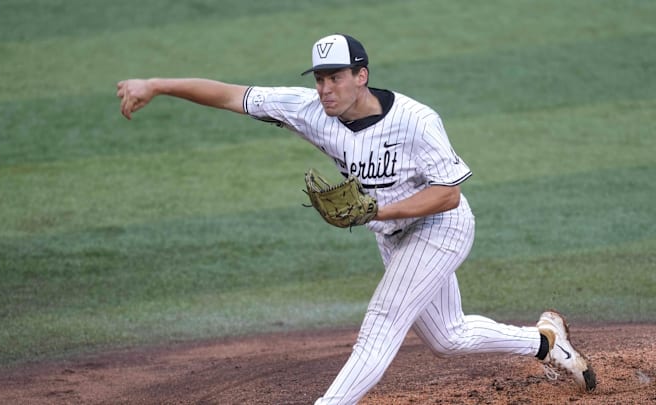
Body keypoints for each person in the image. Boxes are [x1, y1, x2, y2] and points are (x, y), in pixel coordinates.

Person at [117, 33, 596, 404]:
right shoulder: (310, 110)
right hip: (393, 238)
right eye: (320, 79)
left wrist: (378, 209)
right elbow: (231, 95)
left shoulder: (416, 120)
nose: (325, 89)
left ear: (361, 75)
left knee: (383, 319)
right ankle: (545, 342)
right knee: (449, 338)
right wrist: (157, 85)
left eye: (337, 77)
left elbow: (447, 197)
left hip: (441, 229)